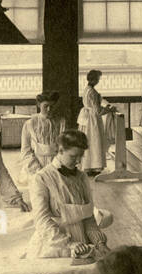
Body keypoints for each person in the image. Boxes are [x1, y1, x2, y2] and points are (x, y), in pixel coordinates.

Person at [27, 129, 110, 260]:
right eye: (73, 156)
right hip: (54, 245)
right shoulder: (41, 178)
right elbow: (41, 220)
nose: (78, 161)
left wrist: (99, 243)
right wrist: (69, 244)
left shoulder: (82, 177)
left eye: (80, 156)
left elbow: (88, 217)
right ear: (60, 151)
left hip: (83, 244)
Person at [20, 93, 63, 181]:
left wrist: (57, 166)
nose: (49, 109)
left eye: (52, 106)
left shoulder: (61, 122)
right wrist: (38, 170)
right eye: (45, 106)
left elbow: (65, 147)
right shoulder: (30, 123)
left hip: (57, 164)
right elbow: (25, 151)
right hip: (36, 165)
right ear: (39, 105)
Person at [80, 69, 114, 174]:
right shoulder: (93, 92)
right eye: (98, 79)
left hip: (87, 118)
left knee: (89, 140)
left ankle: (88, 166)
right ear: (94, 80)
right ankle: (95, 166)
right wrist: (109, 109)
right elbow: (98, 111)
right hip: (92, 120)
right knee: (95, 141)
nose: (98, 81)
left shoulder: (87, 89)